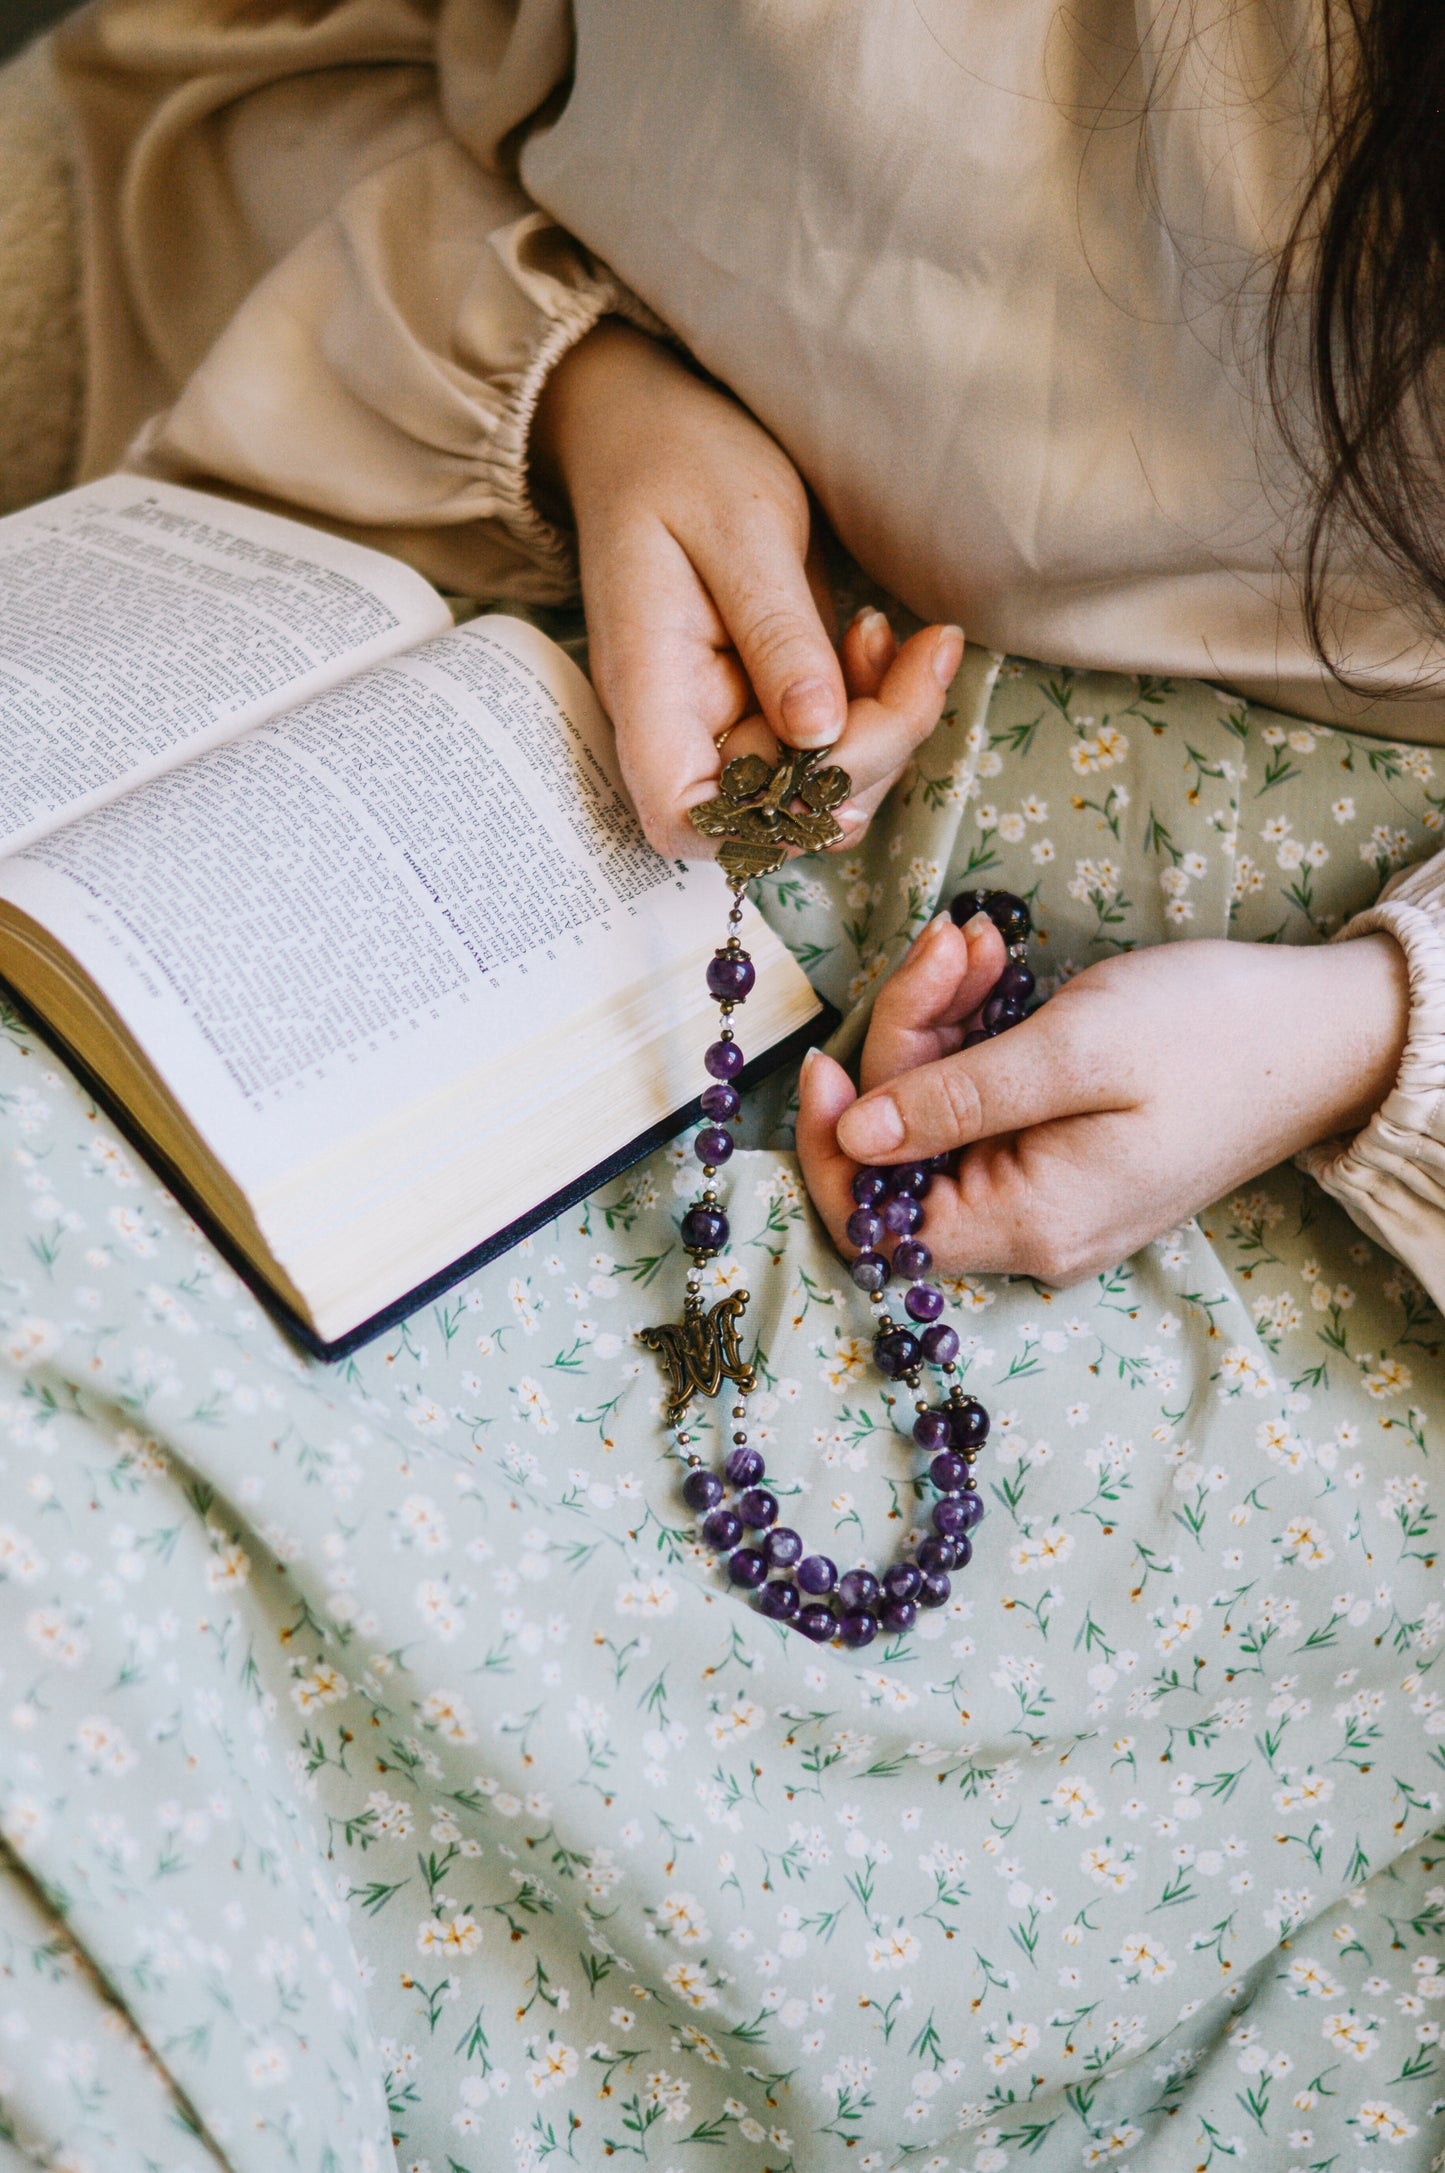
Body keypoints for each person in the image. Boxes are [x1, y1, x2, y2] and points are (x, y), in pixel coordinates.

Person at [0, 3, 1442, 2167]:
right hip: (533, 670)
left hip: (1292, 1150)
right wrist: (586, 390)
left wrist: (1365, 1031)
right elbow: (242, 64)